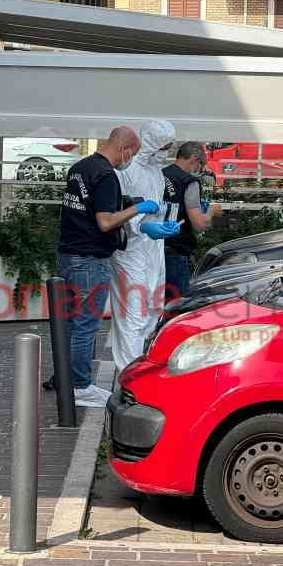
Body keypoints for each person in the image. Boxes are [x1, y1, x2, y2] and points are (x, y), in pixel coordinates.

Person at [57, 126, 160, 408]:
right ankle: (80, 386)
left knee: (69, 322)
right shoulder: (106, 175)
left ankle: (66, 380)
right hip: (90, 258)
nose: (129, 160)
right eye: (132, 154)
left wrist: (127, 203)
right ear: (125, 148)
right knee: (86, 324)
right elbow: (105, 221)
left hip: (69, 254)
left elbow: (87, 208)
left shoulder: (80, 167)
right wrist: (138, 209)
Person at [110, 119, 180, 376]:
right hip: (130, 249)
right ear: (152, 141)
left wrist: (165, 223)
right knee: (133, 312)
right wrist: (142, 226)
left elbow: (155, 204)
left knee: (153, 308)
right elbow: (118, 210)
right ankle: (128, 372)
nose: (168, 150)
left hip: (153, 249)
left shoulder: (155, 170)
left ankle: (141, 366)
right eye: (165, 145)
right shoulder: (125, 169)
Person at [163, 142, 216, 298]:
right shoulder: (189, 182)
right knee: (176, 305)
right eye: (201, 165)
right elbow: (199, 224)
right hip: (176, 251)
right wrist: (211, 211)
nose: (199, 170)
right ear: (194, 159)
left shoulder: (160, 174)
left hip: (154, 250)